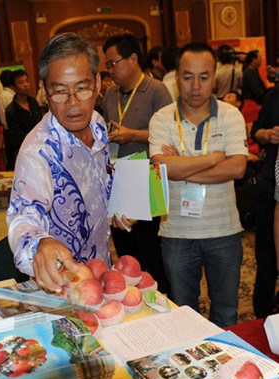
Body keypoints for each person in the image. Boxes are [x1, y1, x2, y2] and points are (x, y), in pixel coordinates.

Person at [7, 32, 132, 292]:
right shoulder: (38, 152)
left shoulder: (97, 123)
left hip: (100, 269)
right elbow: (24, 216)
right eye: (61, 92)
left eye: (82, 88)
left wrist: (120, 206)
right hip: (60, 285)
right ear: (43, 91)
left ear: (97, 83)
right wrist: (40, 244)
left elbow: (99, 181)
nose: (73, 103)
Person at [149, 42, 248, 327]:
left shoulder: (231, 115)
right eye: (187, 76)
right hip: (177, 234)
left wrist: (181, 166)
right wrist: (214, 158)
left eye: (203, 77)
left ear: (214, 77)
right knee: (184, 315)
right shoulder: (161, 119)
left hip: (224, 231)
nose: (195, 86)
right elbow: (160, 167)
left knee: (227, 311)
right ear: (176, 77)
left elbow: (238, 168)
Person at [103, 33, 172, 295]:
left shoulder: (156, 90)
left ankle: (160, 299)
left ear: (133, 59)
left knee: (149, 250)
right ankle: (130, 299)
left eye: (113, 63)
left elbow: (167, 136)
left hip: (146, 178)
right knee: (125, 251)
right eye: (107, 65)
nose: (110, 70)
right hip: (119, 178)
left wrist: (132, 134)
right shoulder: (110, 94)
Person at [251, 85, 279, 318]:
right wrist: (268, 135)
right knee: (266, 259)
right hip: (271, 185)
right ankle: (263, 317)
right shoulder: (275, 94)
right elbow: (256, 131)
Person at [5, 69, 42, 167]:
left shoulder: (33, 102)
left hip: (40, 146)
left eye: (27, 81)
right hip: (25, 149)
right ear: (13, 87)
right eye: (21, 82)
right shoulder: (11, 109)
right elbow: (16, 134)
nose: (25, 84)